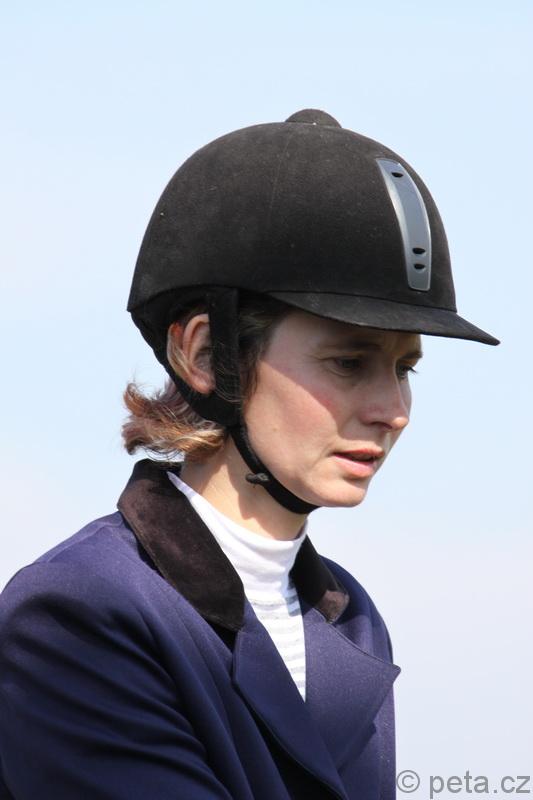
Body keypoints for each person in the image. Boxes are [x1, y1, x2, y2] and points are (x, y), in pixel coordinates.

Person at [0, 109, 498, 799]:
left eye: (404, 367)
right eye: (349, 362)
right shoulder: (80, 612)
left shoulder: (351, 619)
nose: (395, 411)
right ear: (207, 355)